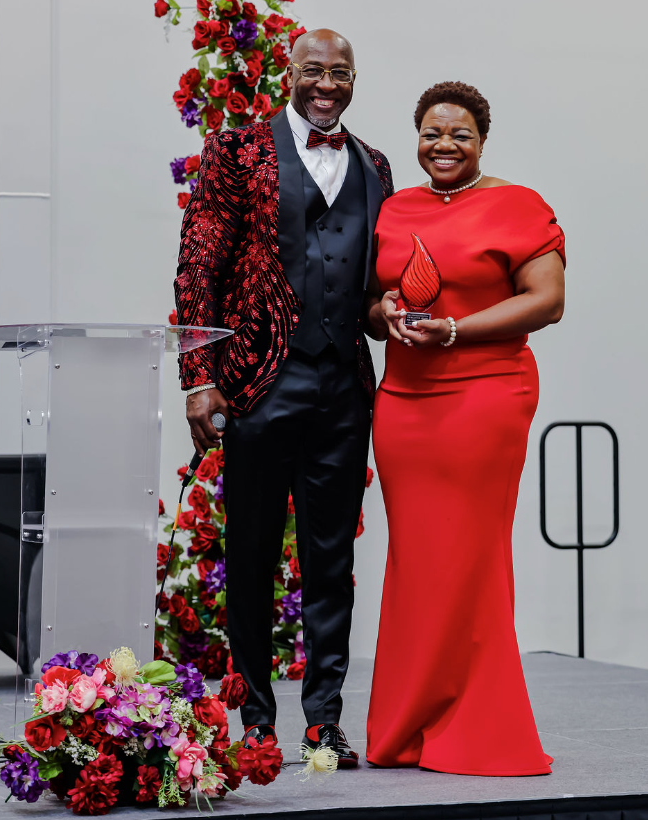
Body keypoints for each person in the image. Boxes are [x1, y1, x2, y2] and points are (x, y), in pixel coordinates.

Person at [175, 28, 393, 767]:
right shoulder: (237, 150)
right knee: (252, 554)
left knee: (331, 560)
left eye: (339, 73)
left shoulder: (375, 164)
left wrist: (391, 316)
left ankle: (324, 720)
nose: (326, 84)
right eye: (313, 71)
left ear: (354, 79)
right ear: (288, 74)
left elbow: (370, 283)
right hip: (260, 383)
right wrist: (198, 378)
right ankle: (257, 722)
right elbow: (198, 262)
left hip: (342, 386)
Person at [365, 81, 565, 775]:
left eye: (458, 134)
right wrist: (383, 312)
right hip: (402, 405)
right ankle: (407, 728)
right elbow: (369, 301)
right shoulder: (394, 207)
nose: (442, 145)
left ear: (482, 139)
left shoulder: (518, 204)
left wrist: (452, 330)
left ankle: (478, 729)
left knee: (471, 563)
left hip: (484, 398)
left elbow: (547, 302)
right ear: (415, 137)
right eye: (430, 133)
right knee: (416, 564)